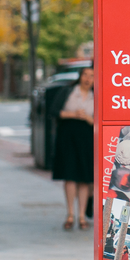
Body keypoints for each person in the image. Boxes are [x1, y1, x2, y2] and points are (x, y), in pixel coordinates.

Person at [50, 66, 94, 231]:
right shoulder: (67, 91)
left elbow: (99, 121)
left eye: (92, 76)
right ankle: (70, 214)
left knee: (84, 177)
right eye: (86, 75)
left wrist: (88, 118)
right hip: (67, 136)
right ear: (80, 76)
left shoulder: (95, 96)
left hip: (86, 138)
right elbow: (54, 111)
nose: (88, 79)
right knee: (69, 175)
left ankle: (82, 215)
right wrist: (73, 115)